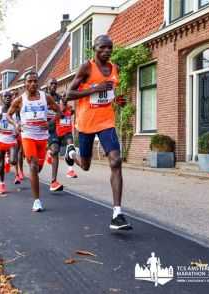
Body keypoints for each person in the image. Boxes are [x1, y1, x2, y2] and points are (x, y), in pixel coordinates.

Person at [64, 35, 131, 230]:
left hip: (106, 122)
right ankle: (72, 153)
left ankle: (117, 214)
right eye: (103, 47)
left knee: (116, 160)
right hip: (86, 123)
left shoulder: (114, 68)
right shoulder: (87, 67)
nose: (107, 51)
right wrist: (95, 89)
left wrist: (117, 100)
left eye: (110, 47)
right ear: (94, 48)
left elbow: (109, 94)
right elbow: (69, 94)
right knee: (85, 166)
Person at [7, 71, 61, 212]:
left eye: (35, 81)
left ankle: (45, 158)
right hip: (28, 135)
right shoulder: (20, 100)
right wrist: (16, 124)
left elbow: (59, 111)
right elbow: (8, 115)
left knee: (38, 169)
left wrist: (50, 123)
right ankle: (37, 201)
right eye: (29, 81)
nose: (32, 84)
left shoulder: (46, 97)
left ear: (38, 83)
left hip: (42, 137)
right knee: (33, 166)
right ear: (24, 84)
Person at [0, 92, 18, 194]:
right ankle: (2, 184)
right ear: (2, 99)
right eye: (5, 97)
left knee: (13, 161)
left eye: (9, 96)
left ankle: (9, 160)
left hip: (12, 139)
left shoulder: (15, 109)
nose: (7, 98)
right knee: (1, 164)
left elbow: (20, 121)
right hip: (1, 139)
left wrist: (18, 129)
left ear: (11, 98)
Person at [45, 78, 65, 192]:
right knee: (36, 166)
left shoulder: (58, 98)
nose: (54, 85)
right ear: (47, 85)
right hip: (41, 128)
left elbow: (61, 114)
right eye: (51, 83)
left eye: (55, 84)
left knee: (56, 150)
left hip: (53, 129)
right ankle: (47, 152)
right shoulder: (42, 97)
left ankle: (53, 182)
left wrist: (60, 112)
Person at [56, 95, 78, 179]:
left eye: (67, 98)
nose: (66, 99)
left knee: (71, 150)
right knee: (54, 152)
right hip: (58, 134)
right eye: (64, 97)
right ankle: (49, 155)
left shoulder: (70, 108)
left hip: (68, 133)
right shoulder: (57, 108)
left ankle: (70, 171)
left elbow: (73, 112)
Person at [10, 90, 24, 183]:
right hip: (12, 135)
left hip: (21, 134)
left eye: (16, 95)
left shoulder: (21, 107)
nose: (15, 96)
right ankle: (17, 174)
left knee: (21, 153)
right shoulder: (10, 110)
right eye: (13, 95)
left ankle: (20, 171)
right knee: (14, 157)